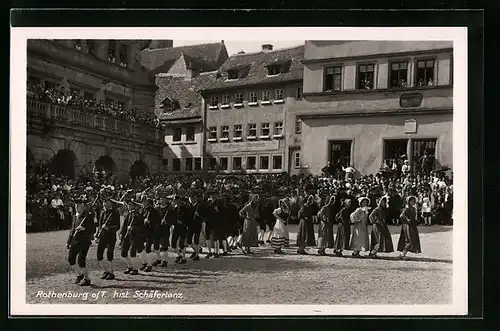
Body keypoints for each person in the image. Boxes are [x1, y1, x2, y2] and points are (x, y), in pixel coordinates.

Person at [66, 195, 95, 286]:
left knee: (81, 260)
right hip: (75, 240)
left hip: (84, 240)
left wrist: (84, 228)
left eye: (78, 206)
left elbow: (93, 229)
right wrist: (68, 241)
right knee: (71, 259)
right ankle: (80, 274)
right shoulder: (75, 216)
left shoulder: (88, 216)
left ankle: (87, 279)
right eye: (75, 206)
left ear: (83, 206)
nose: (76, 207)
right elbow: (72, 230)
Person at [95, 197, 121, 280]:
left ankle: (111, 273)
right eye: (104, 203)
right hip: (102, 236)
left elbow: (117, 227)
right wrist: (97, 235)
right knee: (99, 255)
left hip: (111, 237)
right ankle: (106, 271)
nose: (104, 204)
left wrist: (108, 228)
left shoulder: (115, 213)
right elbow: (99, 225)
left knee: (109, 255)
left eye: (106, 202)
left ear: (110, 204)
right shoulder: (103, 212)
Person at [119, 199, 145, 275]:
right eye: (128, 204)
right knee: (123, 252)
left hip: (135, 236)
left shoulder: (138, 215)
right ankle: (129, 266)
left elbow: (141, 227)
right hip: (126, 235)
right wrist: (121, 233)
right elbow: (125, 225)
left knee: (132, 252)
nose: (129, 206)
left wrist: (133, 228)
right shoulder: (128, 214)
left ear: (135, 206)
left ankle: (135, 268)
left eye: (130, 204)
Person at [397, 196, 422, 260]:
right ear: (408, 202)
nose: (413, 202)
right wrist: (407, 220)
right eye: (411, 201)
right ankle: (403, 254)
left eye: (414, 201)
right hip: (408, 226)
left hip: (413, 225)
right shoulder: (406, 209)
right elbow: (401, 216)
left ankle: (402, 254)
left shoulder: (413, 208)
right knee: (409, 240)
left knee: (413, 240)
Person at [140, 198, 160, 272]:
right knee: (140, 247)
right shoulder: (143, 210)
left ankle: (149, 265)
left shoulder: (154, 211)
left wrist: (149, 222)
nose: (143, 203)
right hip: (143, 231)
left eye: (145, 202)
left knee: (148, 248)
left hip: (151, 232)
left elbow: (157, 222)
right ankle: (145, 263)